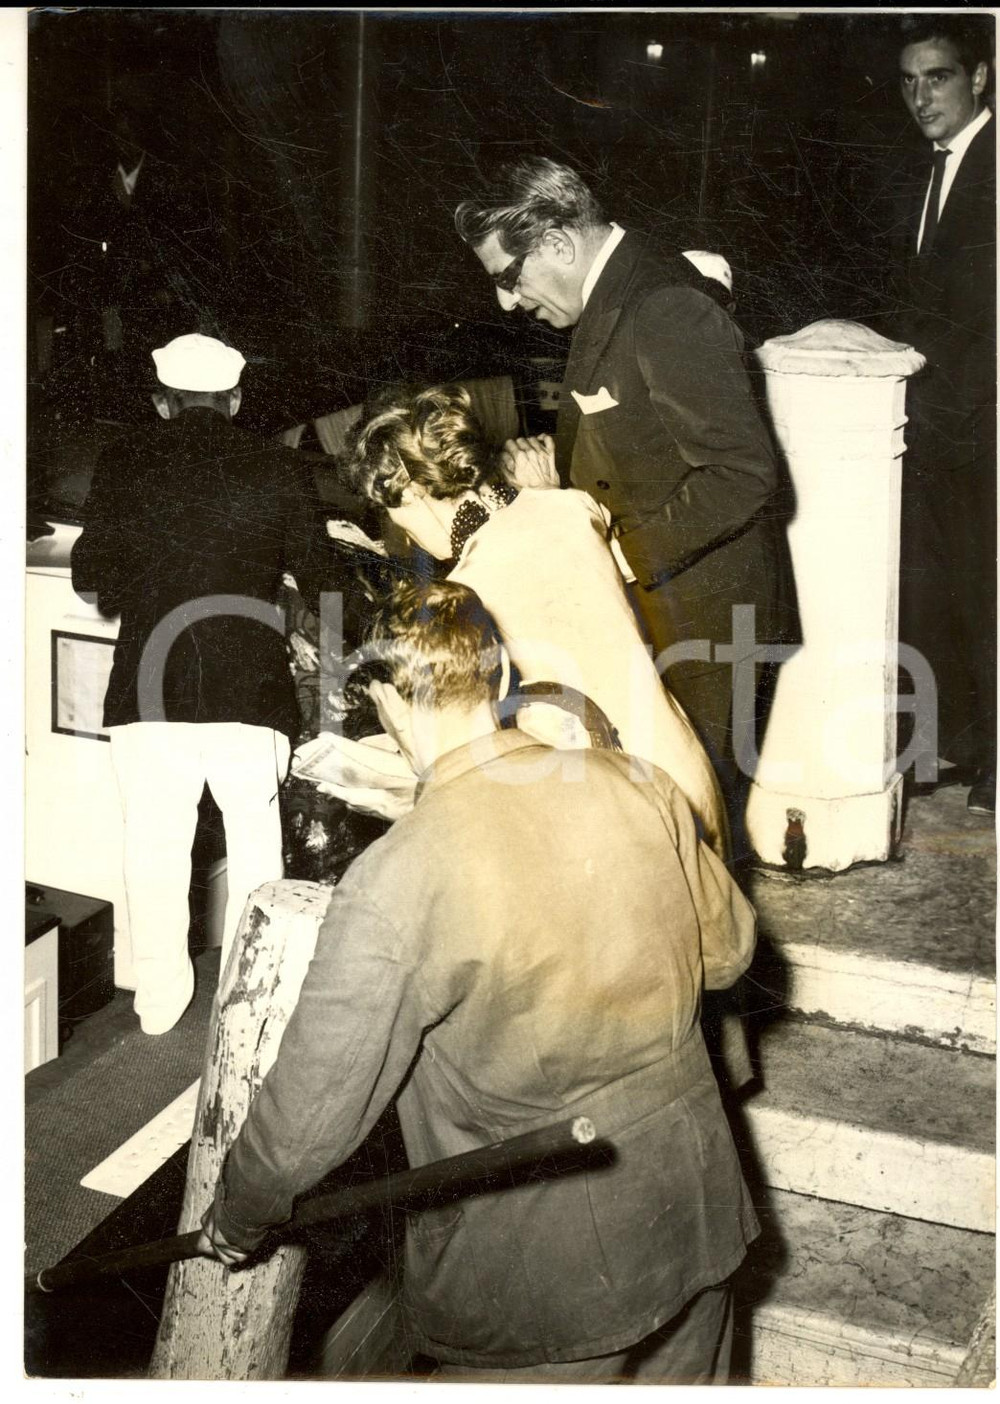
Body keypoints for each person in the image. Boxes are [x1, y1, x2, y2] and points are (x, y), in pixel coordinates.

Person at [198, 578, 760, 1384]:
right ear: (498, 681)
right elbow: (731, 952)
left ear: (386, 701)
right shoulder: (637, 781)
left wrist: (240, 1211)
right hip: (695, 1211)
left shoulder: (399, 874)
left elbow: (313, 1108)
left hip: (542, 1279)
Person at [453, 157, 799, 840]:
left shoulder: (664, 305)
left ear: (557, 243)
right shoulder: (616, 295)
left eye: (507, 277)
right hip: (673, 609)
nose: (506, 302)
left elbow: (741, 472)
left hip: (702, 622)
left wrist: (614, 552)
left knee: (693, 832)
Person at [341, 381, 728, 857]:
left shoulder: (468, 589)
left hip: (612, 800)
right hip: (681, 768)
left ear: (413, 493)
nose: (401, 529)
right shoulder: (571, 505)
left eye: (391, 511)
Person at [71, 332, 326, 1034]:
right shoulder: (279, 466)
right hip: (250, 689)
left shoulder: (123, 459)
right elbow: (323, 574)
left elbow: (94, 577)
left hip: (151, 690)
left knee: (154, 847)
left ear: (161, 403)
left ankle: (156, 1009)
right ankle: (254, 1003)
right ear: (236, 399)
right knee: (254, 843)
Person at [889, 16, 996, 814]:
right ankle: (960, 741)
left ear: (981, 78)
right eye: (910, 81)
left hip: (984, 427)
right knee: (948, 589)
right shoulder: (932, 171)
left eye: (939, 78)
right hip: (938, 427)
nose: (921, 96)